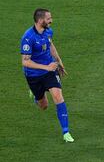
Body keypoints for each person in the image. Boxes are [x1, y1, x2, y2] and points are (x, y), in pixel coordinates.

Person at [20, 8, 74, 143]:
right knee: (43, 106)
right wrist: (46, 67)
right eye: (48, 18)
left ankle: (66, 132)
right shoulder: (28, 37)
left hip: (49, 71)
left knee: (58, 96)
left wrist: (59, 62)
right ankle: (35, 95)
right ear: (40, 20)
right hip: (33, 75)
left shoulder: (48, 31)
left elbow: (50, 45)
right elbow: (25, 62)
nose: (51, 20)